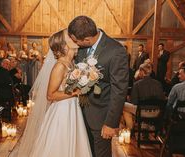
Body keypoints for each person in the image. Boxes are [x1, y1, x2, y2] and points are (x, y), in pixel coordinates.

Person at [10, 29, 92, 157]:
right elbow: (50, 95)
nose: (74, 39)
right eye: (70, 38)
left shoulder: (71, 63)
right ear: (64, 45)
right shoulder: (59, 66)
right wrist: (75, 92)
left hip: (72, 108)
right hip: (62, 111)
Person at [68, 16, 128, 157]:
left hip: (101, 117)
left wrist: (111, 123)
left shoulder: (116, 51)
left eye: (76, 41)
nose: (75, 44)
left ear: (87, 39)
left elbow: (119, 90)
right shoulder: (81, 48)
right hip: (79, 113)